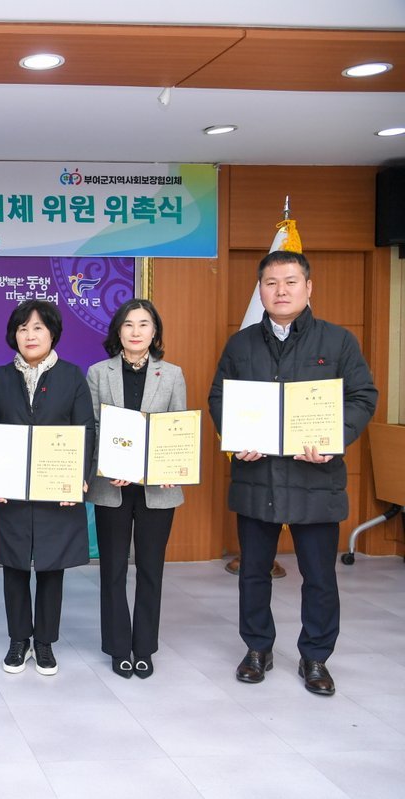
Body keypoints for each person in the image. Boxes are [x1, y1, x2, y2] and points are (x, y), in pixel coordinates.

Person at [209, 250, 377, 696]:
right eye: (271, 283)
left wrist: (333, 438)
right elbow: (219, 397)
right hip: (257, 476)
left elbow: (363, 396)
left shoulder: (338, 342)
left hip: (315, 479)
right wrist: (235, 437)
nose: (280, 291)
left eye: (290, 282)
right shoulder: (241, 344)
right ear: (260, 290)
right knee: (253, 572)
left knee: (319, 576)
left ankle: (316, 656)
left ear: (308, 287)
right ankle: (257, 649)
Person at [0, 299, 93, 677]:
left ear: (52, 333)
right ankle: (18, 640)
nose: (30, 335)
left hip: (56, 488)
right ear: (14, 335)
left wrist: (78, 478)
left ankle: (44, 642)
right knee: (14, 566)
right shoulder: (0, 377)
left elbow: (85, 430)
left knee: (51, 567)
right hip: (10, 490)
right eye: (22, 328)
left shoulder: (72, 376)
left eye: (38, 328)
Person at [87, 299, 186, 680]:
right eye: (128, 324)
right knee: (112, 570)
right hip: (111, 486)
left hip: (156, 488)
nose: (136, 331)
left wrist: (169, 466)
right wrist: (109, 464)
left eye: (144, 324)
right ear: (118, 330)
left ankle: (144, 647)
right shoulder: (99, 372)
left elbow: (177, 428)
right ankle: (118, 647)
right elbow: (93, 427)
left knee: (150, 569)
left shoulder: (172, 374)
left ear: (154, 331)